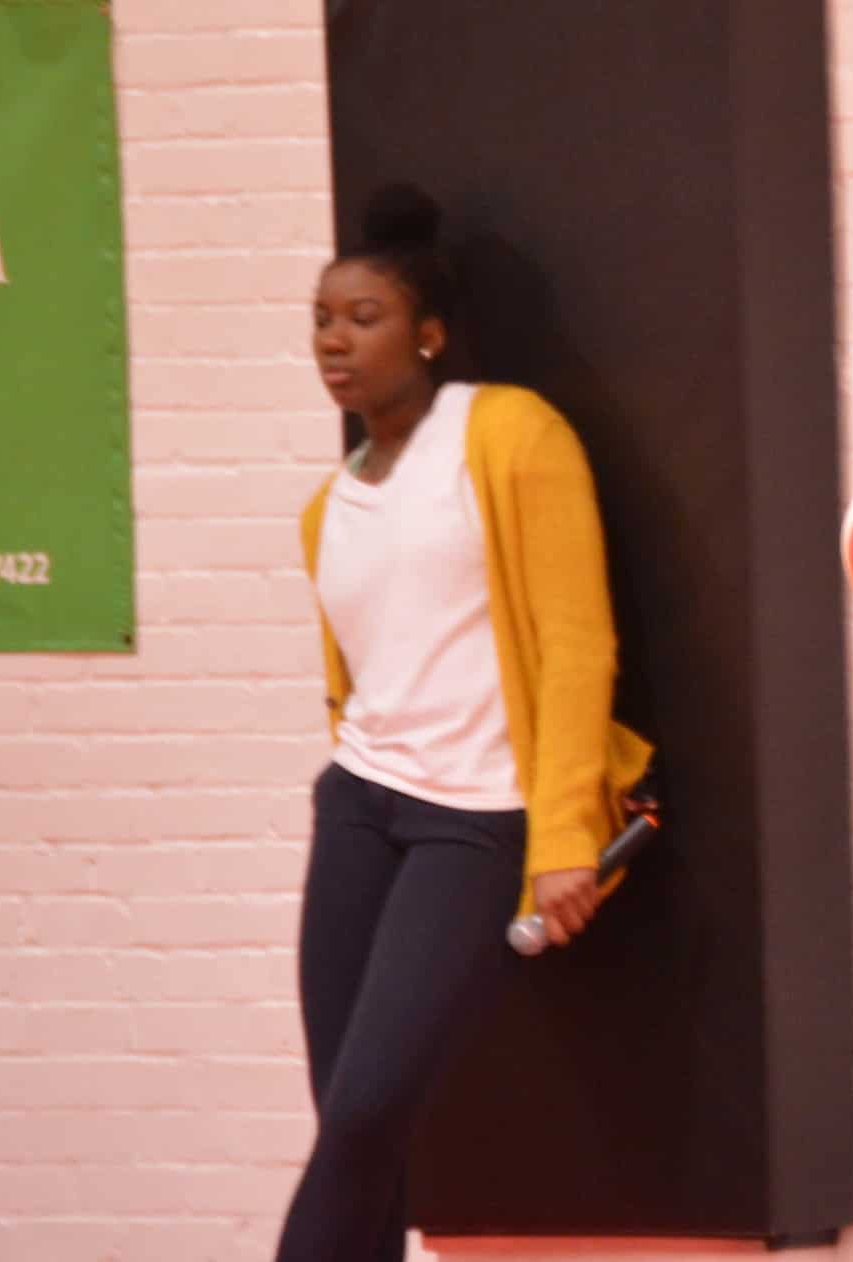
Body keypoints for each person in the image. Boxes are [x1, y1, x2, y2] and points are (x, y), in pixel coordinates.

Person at [277, 184, 653, 1262]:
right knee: (354, 1127)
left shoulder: (509, 435)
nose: (335, 340)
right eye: (321, 319)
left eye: (364, 317)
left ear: (429, 335)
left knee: (362, 1113)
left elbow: (581, 646)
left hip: (477, 819)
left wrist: (565, 839)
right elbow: (356, 684)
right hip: (358, 810)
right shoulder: (330, 504)